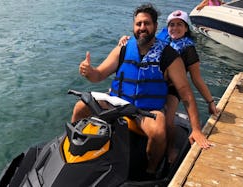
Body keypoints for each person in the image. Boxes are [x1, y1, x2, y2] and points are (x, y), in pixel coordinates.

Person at [72, 3, 211, 177]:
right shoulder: (123, 49)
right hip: (118, 101)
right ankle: (74, 148)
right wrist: (88, 71)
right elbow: (98, 75)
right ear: (133, 26)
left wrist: (196, 128)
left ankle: (150, 170)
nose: (142, 28)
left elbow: (185, 93)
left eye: (147, 23)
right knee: (80, 107)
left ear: (155, 26)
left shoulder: (169, 55)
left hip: (145, 110)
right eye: (138, 24)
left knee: (159, 131)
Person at [118, 10, 218, 162]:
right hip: (154, 82)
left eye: (180, 25)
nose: (175, 28)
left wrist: (210, 102)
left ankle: (170, 148)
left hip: (173, 88)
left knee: (169, 120)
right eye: (172, 25)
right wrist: (126, 39)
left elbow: (197, 79)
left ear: (186, 28)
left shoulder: (188, 50)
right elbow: (143, 40)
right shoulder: (162, 40)